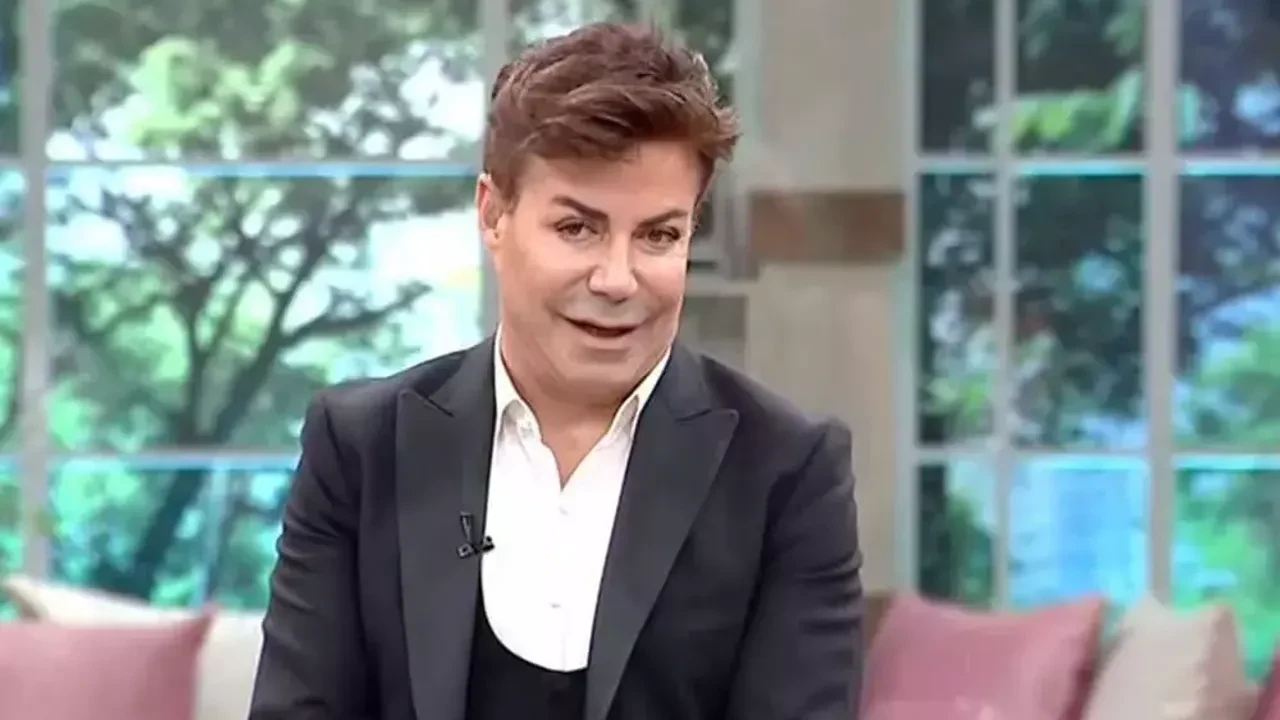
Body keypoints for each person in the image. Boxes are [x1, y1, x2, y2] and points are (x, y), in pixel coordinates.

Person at [248, 21, 864, 720]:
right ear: (493, 215)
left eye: (659, 235)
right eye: (578, 228)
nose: (617, 279)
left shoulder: (786, 471)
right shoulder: (362, 448)